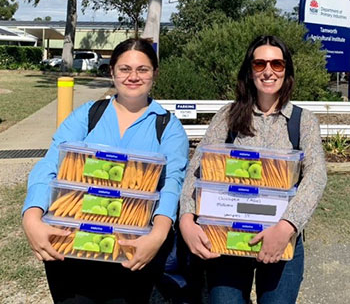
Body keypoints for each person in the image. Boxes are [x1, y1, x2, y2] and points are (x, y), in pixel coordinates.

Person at [22, 38, 189, 304]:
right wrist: (32, 217)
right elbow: (50, 164)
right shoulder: (87, 116)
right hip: (73, 244)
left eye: (142, 69)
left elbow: (172, 183)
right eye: (124, 69)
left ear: (155, 73)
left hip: (132, 247)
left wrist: (157, 236)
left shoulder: (167, 126)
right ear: (112, 71)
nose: (133, 76)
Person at [179, 35, 327, 304]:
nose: (268, 71)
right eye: (259, 64)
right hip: (226, 239)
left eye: (277, 64)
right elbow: (197, 169)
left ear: (287, 71)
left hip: (281, 241)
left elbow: (317, 176)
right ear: (250, 71)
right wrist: (187, 219)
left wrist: (286, 227)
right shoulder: (227, 115)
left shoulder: (302, 121)